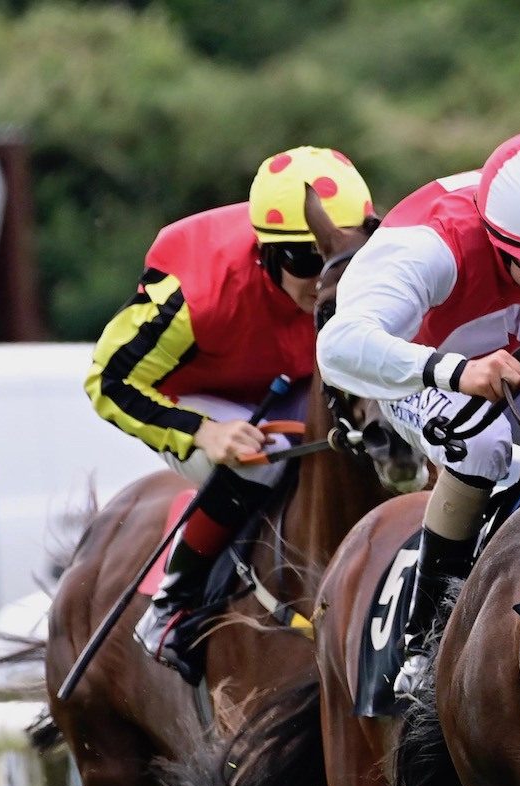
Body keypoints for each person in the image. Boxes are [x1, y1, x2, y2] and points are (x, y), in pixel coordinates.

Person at [318, 127, 520, 696]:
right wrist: (458, 372)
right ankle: (425, 638)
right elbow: (337, 349)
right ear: (496, 242)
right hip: (421, 365)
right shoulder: (428, 243)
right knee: (484, 445)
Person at [86, 145, 374, 680]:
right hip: (196, 397)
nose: (323, 277)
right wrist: (204, 434)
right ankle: (174, 604)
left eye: (340, 258)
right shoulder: (194, 295)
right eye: (305, 261)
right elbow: (107, 380)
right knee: (261, 458)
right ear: (265, 252)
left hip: (292, 384)